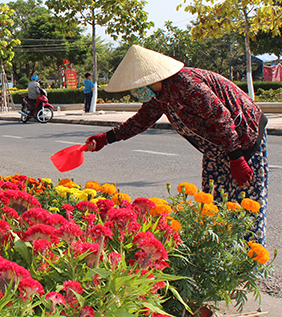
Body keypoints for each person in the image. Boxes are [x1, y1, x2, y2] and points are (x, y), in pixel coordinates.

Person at [86, 45, 268, 246]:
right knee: (215, 201)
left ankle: (250, 263)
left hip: (243, 138)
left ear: (152, 77)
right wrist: (106, 138)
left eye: (138, 84)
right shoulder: (158, 95)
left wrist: (237, 158)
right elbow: (141, 120)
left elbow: (220, 117)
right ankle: (224, 256)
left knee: (247, 203)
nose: (135, 90)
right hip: (216, 146)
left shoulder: (187, 84)